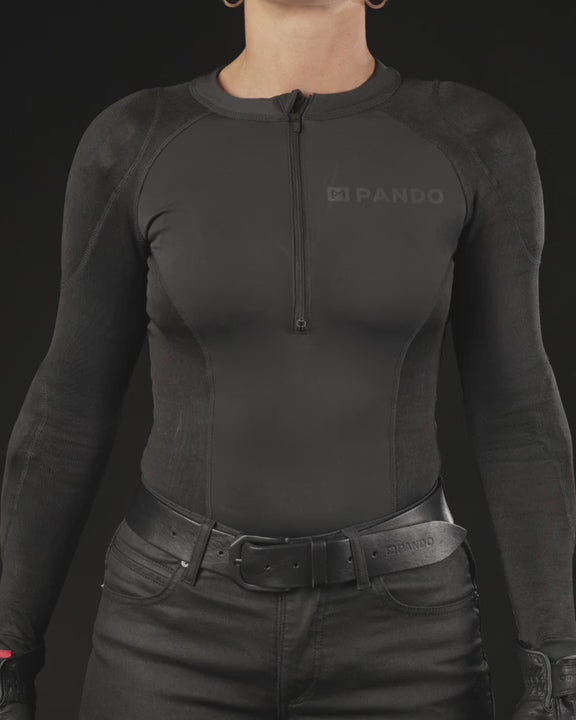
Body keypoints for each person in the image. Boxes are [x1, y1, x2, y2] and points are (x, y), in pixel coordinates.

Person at [1, 0, 576, 717]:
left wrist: (560, 671)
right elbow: (70, 404)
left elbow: (517, 412)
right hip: (170, 641)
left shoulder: (475, 138)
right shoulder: (133, 139)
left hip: (407, 646)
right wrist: (8, 652)